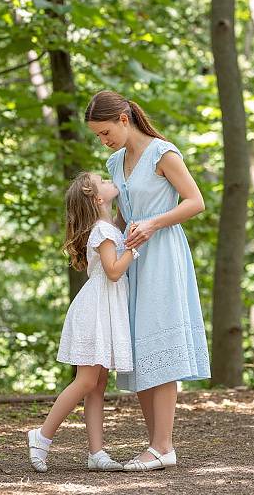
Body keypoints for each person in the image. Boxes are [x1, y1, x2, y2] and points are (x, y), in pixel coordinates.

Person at [85, 90, 211, 471]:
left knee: (161, 338)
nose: (103, 141)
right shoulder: (114, 161)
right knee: (138, 345)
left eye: (105, 132)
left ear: (124, 119)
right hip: (131, 257)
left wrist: (154, 223)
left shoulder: (163, 153)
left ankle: (163, 445)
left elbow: (195, 201)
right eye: (97, 136)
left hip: (163, 253)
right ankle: (157, 445)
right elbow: (122, 215)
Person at [27, 172, 139, 473]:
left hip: (105, 307)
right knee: (87, 380)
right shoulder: (102, 230)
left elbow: (118, 230)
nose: (108, 178)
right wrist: (133, 246)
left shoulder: (107, 226)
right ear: (97, 198)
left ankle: (96, 452)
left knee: (98, 385)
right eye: (102, 180)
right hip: (96, 309)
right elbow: (114, 271)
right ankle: (42, 435)